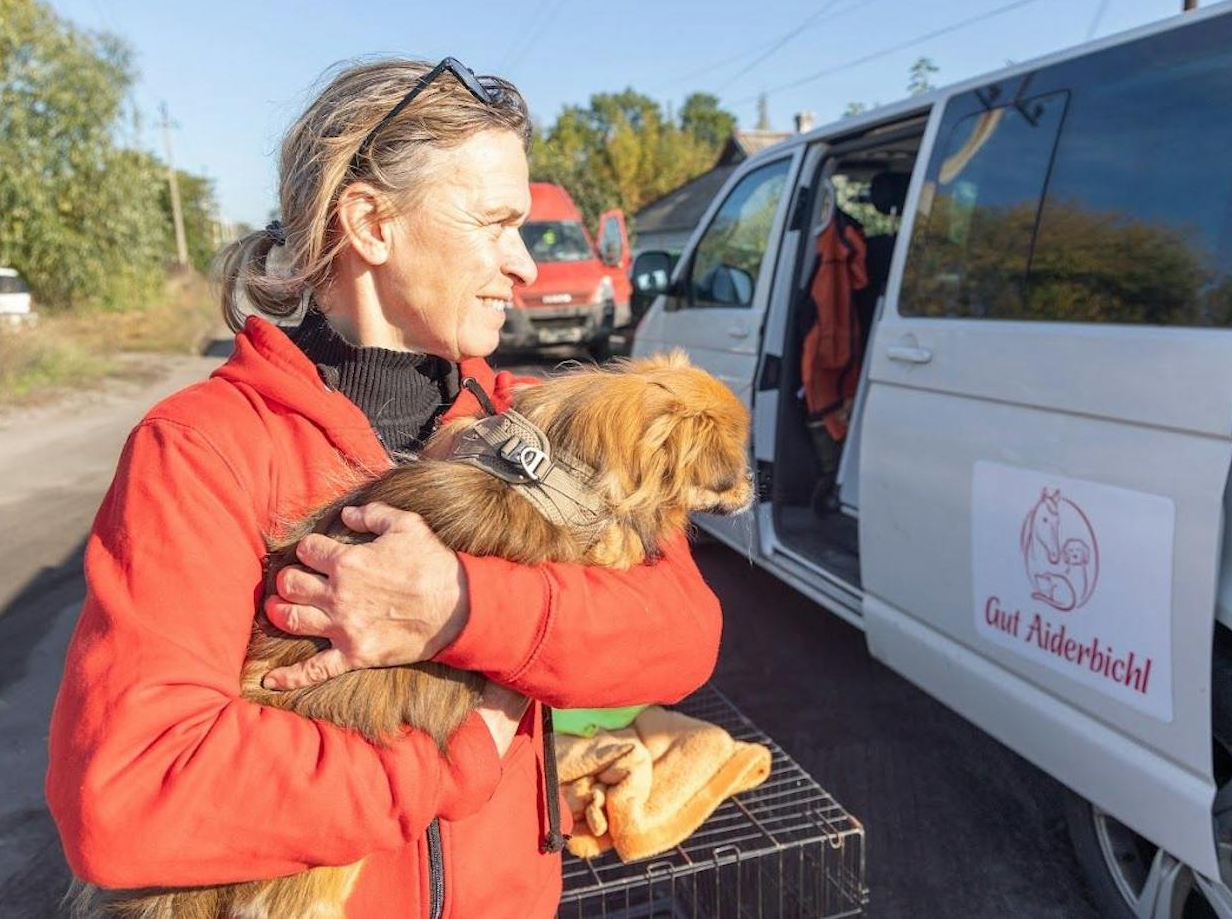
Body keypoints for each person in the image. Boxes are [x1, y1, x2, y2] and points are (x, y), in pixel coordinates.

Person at [45, 57, 724, 917]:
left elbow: (683, 635)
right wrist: (456, 757)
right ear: (370, 222)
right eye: (493, 222)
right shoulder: (202, 448)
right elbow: (131, 799)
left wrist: (462, 607)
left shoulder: (531, 425)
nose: (522, 264)